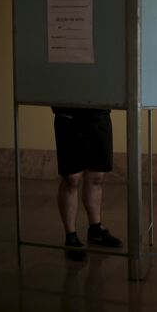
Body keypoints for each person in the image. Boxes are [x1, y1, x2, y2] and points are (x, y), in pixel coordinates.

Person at [53, 106, 123, 261]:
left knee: (97, 176)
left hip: (99, 114)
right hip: (68, 115)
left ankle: (95, 228)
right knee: (71, 178)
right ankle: (70, 236)